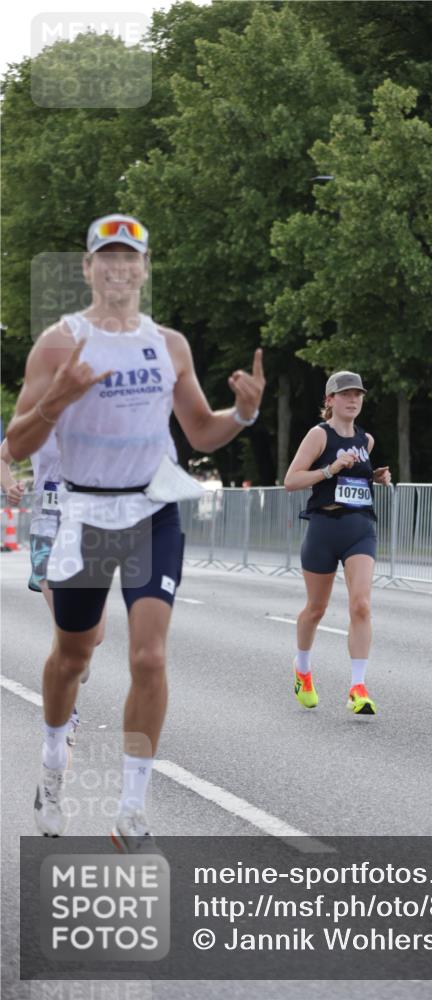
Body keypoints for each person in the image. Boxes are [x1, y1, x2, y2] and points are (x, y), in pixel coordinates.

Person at [7, 213, 265, 846]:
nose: (119, 268)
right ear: (90, 268)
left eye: (132, 259)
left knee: (149, 657)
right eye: (108, 257)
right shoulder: (58, 344)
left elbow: (201, 431)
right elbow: (17, 441)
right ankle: (51, 764)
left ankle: (131, 810)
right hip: (81, 514)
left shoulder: (170, 344)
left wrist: (245, 413)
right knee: (73, 657)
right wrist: (55, 400)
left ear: (145, 270)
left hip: (152, 510)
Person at [284, 371, 391, 716]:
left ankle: (358, 688)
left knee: (361, 605)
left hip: (360, 529)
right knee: (316, 609)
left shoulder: (366, 440)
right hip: (324, 529)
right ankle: (303, 672)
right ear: (330, 400)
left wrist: (375, 476)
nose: (353, 400)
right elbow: (291, 480)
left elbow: (354, 477)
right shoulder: (319, 435)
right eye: (345, 394)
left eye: (358, 394)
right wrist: (329, 470)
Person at [0, 434, 106, 745]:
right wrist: (9, 487)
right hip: (48, 527)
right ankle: (66, 715)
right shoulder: (38, 418)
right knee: (67, 624)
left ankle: (75, 658)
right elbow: (2, 457)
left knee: (93, 637)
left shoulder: (97, 414)